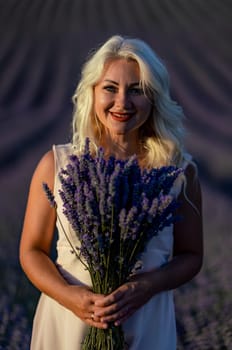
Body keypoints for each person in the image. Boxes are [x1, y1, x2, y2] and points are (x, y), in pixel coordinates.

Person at [20, 35, 203, 350]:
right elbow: (31, 250)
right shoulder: (57, 164)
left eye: (137, 90)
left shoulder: (178, 172)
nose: (122, 102)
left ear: (154, 98)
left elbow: (192, 255)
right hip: (69, 323)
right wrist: (70, 297)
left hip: (145, 322)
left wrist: (148, 285)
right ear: (91, 93)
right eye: (110, 88)